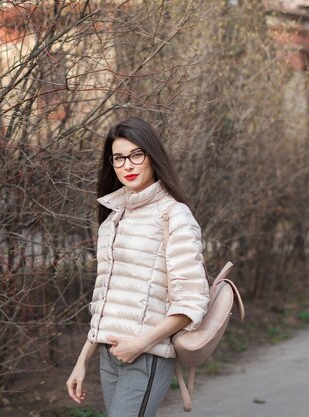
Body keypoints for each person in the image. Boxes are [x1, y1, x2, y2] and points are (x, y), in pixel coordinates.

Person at [66, 117, 210, 417]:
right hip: (109, 354)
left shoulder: (174, 216)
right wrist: (82, 361)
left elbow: (192, 301)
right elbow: (104, 300)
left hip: (147, 355)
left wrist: (140, 344)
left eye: (136, 154)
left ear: (152, 156)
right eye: (119, 158)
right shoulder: (113, 219)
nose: (128, 165)